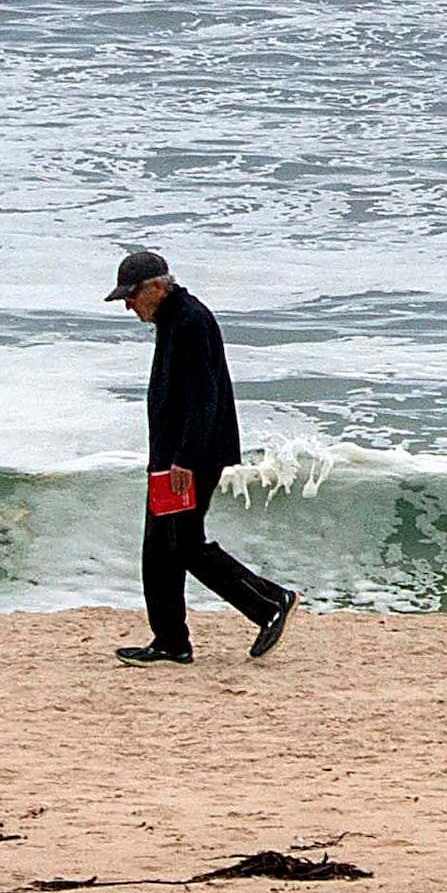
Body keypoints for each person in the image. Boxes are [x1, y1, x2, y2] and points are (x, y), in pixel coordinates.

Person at [105, 246, 295, 666]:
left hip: (191, 458)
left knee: (184, 544)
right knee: (159, 548)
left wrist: (184, 460)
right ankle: (171, 641)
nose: (129, 306)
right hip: (173, 457)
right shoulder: (171, 319)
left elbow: (203, 397)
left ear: (157, 286)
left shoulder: (190, 320)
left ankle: (269, 603)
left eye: (132, 296)